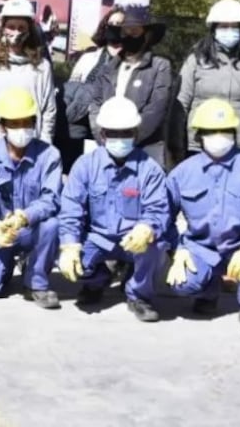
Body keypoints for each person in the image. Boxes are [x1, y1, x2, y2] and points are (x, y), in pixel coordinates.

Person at [58, 96, 170, 322]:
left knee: (157, 244)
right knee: (67, 257)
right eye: (113, 133)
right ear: (102, 135)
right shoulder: (85, 165)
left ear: (136, 135)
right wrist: (70, 244)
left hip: (134, 240)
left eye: (126, 133)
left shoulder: (150, 169)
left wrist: (147, 228)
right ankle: (96, 280)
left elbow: (158, 209)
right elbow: (71, 208)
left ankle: (139, 295)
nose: (120, 139)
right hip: (97, 239)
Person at [165, 99, 240, 333]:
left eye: (224, 131)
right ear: (199, 136)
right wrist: (176, 248)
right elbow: (161, 215)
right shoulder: (184, 172)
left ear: (234, 133)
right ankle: (206, 292)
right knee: (183, 282)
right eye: (211, 132)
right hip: (202, 248)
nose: (218, 136)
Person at [0, 87, 62, 309]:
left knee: (52, 224)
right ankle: (5, 265)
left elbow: (51, 199)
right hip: (0, 232)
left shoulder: (49, 156)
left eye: (27, 123)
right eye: (14, 124)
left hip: (31, 228)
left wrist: (26, 216)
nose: (22, 129)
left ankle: (36, 282)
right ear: (2, 126)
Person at [0, 0, 56, 159]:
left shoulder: (42, 67)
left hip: (31, 151)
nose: (16, 33)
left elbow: (48, 111)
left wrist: (45, 145)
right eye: (11, 27)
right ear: (3, 29)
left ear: (30, 30)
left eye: (21, 27)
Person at [177, 0, 240, 157]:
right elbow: (180, 104)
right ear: (214, 29)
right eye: (224, 26)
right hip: (200, 145)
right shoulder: (195, 60)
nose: (229, 31)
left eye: (234, 26)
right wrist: (175, 146)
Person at [89, 5, 172, 168]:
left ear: (147, 35)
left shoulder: (160, 67)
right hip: (108, 146)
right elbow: (95, 105)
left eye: (134, 32)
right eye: (124, 32)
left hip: (147, 151)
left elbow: (156, 109)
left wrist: (128, 137)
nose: (128, 36)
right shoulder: (108, 69)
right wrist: (106, 137)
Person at [64, 6, 126, 165]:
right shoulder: (88, 58)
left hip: (112, 128)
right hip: (81, 126)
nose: (115, 27)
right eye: (111, 23)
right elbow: (72, 89)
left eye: (120, 23)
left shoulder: (131, 61)